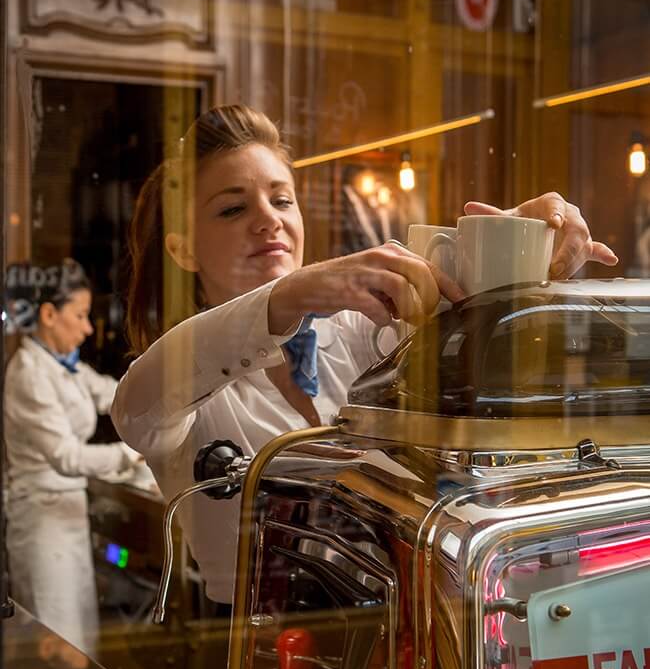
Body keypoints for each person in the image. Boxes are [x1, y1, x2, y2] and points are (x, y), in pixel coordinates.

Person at [112, 105, 618, 608]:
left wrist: (519, 248)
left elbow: (469, 333)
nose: (269, 220)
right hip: (253, 650)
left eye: (282, 200)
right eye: (232, 208)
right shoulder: (185, 377)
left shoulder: (358, 333)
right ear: (182, 250)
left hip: (396, 632)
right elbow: (136, 408)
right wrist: (290, 295)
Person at [4, 259, 141, 658]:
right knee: (60, 649)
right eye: (80, 315)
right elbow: (65, 456)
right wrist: (131, 454)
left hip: (67, 518)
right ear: (48, 315)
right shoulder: (29, 371)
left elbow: (110, 393)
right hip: (42, 524)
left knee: (82, 641)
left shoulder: (64, 366)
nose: (86, 328)